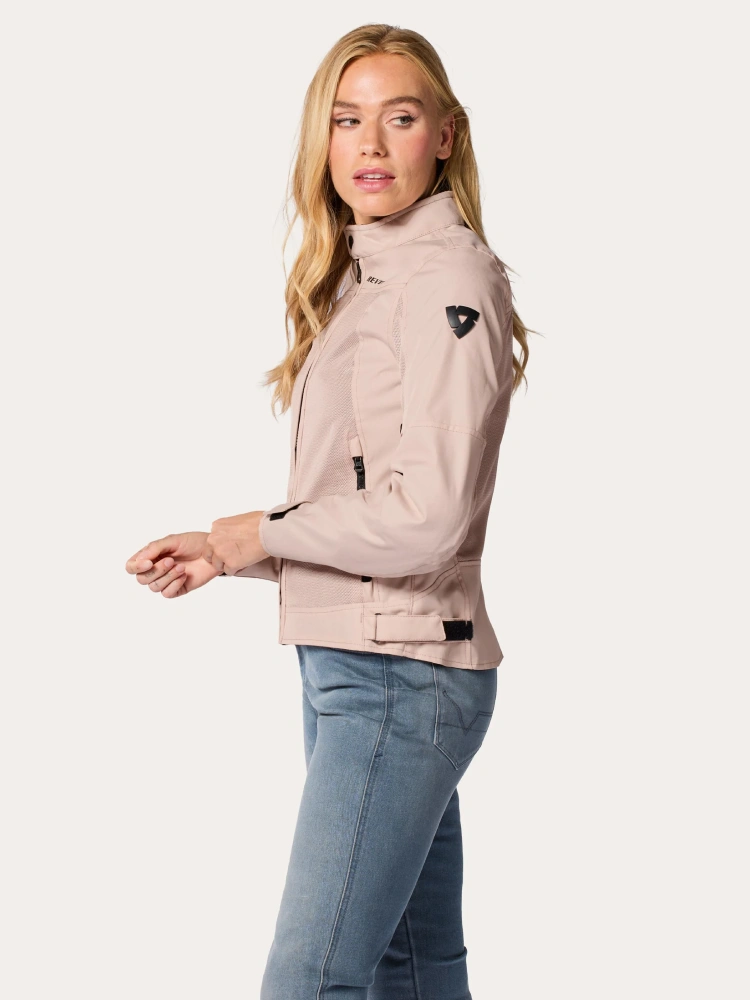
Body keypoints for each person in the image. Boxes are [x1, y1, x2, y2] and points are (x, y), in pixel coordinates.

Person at [125, 23, 533, 1000]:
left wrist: (255, 534)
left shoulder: (444, 280)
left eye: (400, 118)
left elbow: (428, 518)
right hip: (365, 663)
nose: (370, 144)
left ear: (445, 135)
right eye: (347, 120)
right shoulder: (368, 279)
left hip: (400, 675)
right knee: (411, 968)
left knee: (311, 979)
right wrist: (231, 550)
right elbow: (370, 504)